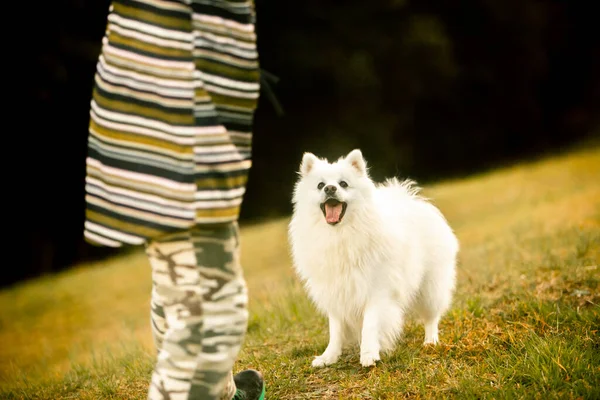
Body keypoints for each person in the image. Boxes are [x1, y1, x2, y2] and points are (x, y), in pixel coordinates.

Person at [82, 0, 265, 399]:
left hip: (156, 103)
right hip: (176, 113)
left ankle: (221, 394)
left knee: (182, 286)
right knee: (213, 313)